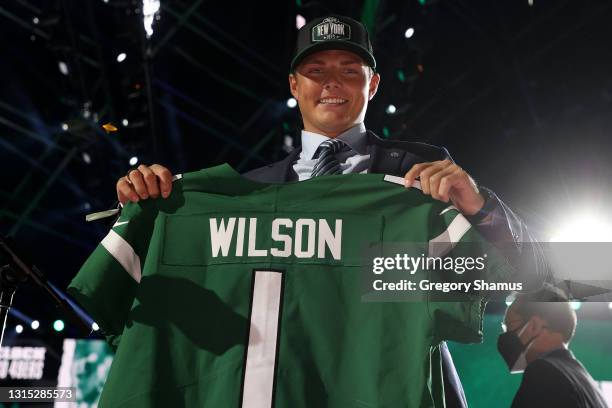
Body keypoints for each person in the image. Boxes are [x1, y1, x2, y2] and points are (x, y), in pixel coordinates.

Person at [112, 15, 544, 408]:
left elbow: (534, 274)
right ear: (294, 85)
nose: (332, 83)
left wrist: (480, 206)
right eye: (316, 71)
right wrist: (147, 209)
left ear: (372, 85)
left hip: (388, 390)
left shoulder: (421, 177)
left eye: (349, 71)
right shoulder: (247, 193)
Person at [499, 286, 608, 408]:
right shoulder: (588, 383)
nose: (506, 335)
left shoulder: (544, 372)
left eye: (509, 326)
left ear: (534, 325)